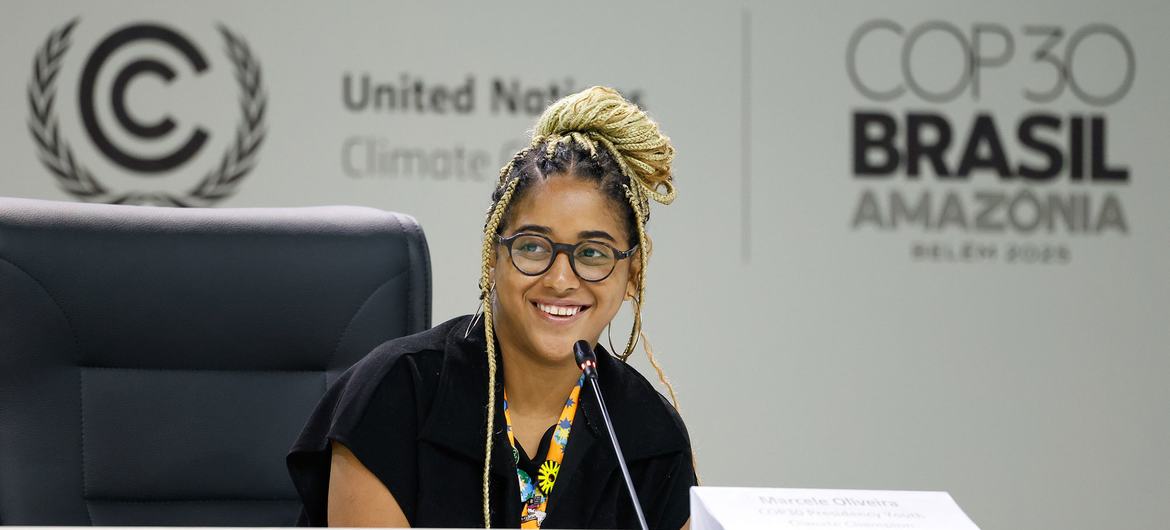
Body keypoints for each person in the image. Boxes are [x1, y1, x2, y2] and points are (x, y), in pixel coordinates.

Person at [287, 86, 696, 529]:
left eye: (593, 253)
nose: (561, 279)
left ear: (632, 274)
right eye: (533, 247)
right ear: (492, 257)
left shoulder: (649, 437)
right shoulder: (395, 395)